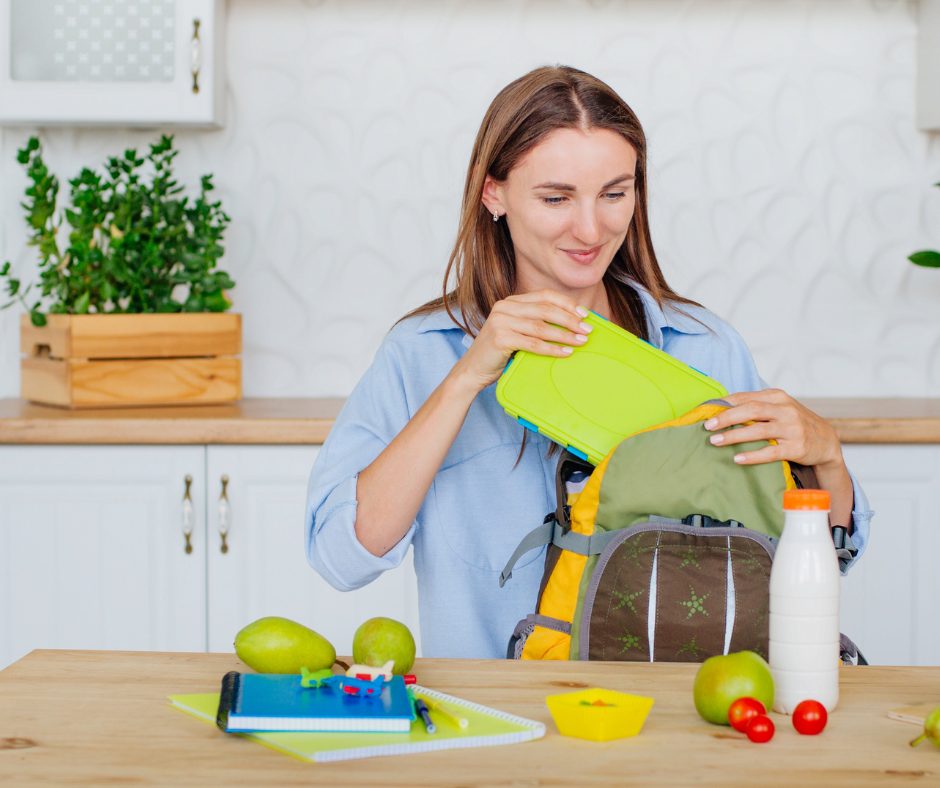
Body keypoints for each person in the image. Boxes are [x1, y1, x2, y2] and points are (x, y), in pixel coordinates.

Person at [305, 65, 872, 660]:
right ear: (491, 191)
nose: (590, 228)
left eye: (614, 194)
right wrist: (466, 377)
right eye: (556, 197)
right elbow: (342, 559)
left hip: (672, 720)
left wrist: (827, 458)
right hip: (493, 722)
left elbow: (807, 557)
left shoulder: (706, 349)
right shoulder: (420, 353)